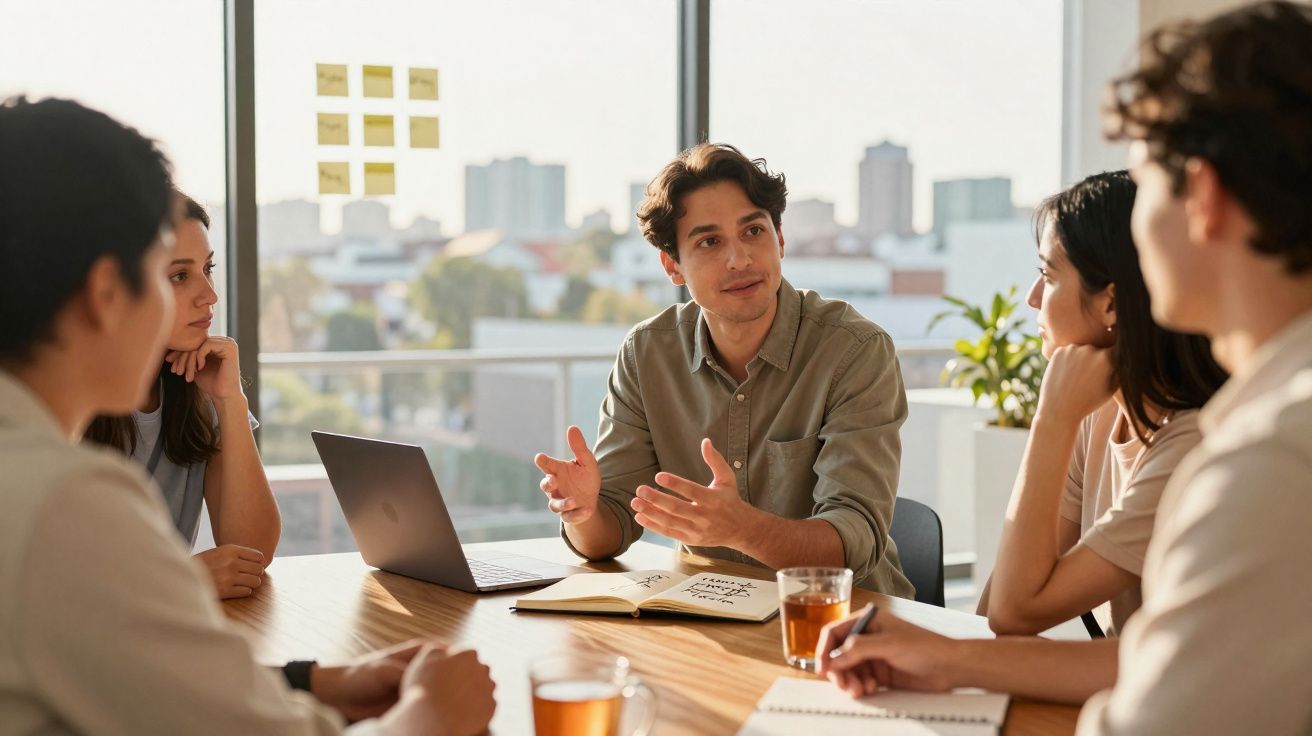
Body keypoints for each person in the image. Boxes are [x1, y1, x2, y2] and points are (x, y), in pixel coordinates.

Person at [818, 4, 1312, 732]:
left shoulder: (1267, 461)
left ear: (1202, 197)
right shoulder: (1263, 426)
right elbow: (1141, 654)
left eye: (1148, 182)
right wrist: (947, 658)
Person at [0, 95, 496, 735]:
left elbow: (116, 665)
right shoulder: (66, 499)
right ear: (105, 293)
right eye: (165, 275)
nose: (202, 297)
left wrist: (311, 681)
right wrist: (430, 717)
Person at [534, 143, 913, 595]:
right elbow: (608, 533)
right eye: (710, 242)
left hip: (841, 621)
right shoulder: (647, 353)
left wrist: (742, 528)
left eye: (754, 231)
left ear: (781, 239)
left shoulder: (855, 351)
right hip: (710, 613)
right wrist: (584, 511)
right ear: (672, 265)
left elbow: (855, 541)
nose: (740, 259)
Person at [981, 171, 1225, 637]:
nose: (1033, 299)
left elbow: (1014, 611)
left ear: (1111, 304)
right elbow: (997, 608)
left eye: (1048, 276)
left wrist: (1051, 418)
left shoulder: (1189, 444)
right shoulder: (1101, 413)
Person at [85, 193, 281, 600]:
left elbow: (253, 554)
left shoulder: (199, 388)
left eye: (208, 269)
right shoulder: (63, 398)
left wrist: (231, 403)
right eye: (179, 276)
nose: (209, 295)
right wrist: (177, 579)